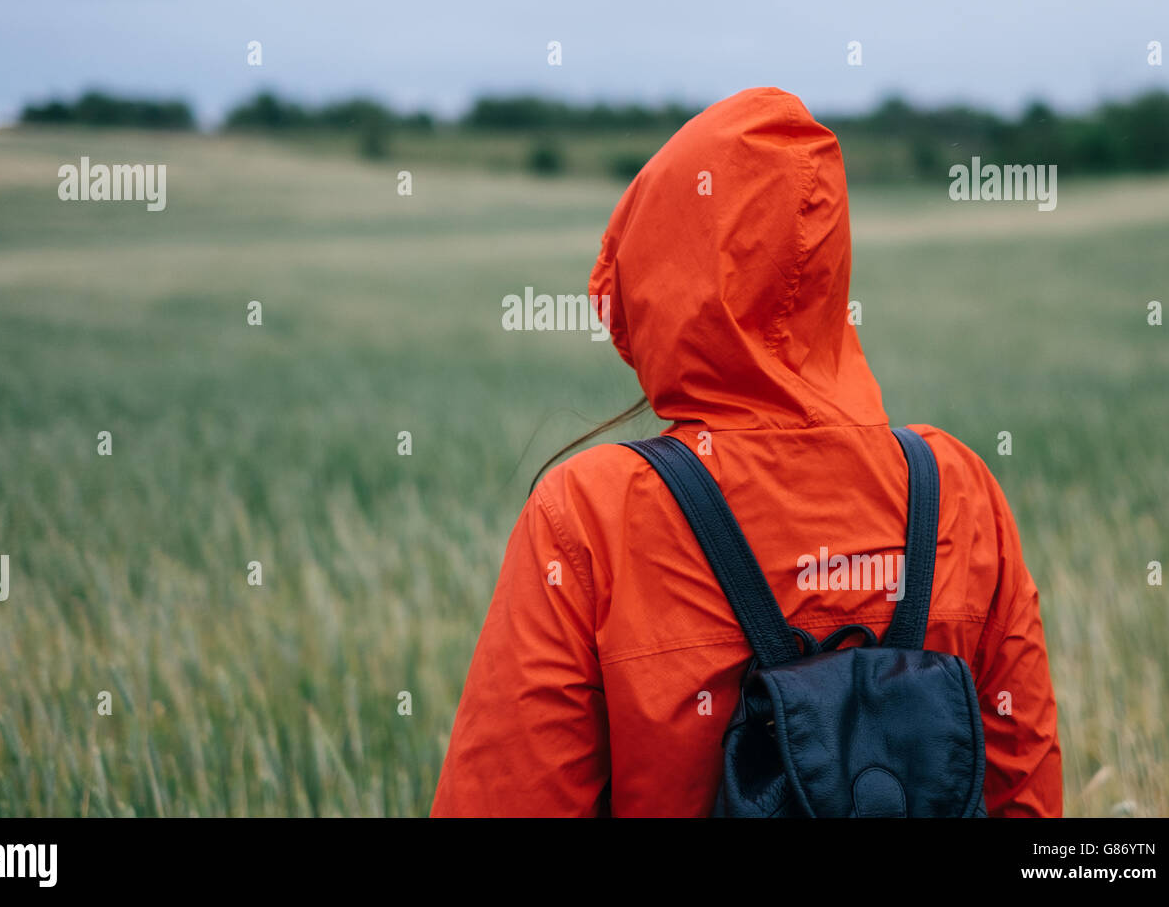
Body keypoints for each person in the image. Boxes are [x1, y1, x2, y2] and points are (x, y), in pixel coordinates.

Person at [431, 87, 1062, 817]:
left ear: (651, 274)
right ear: (832, 262)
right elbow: (1027, 799)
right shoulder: (957, 490)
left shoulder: (589, 515)